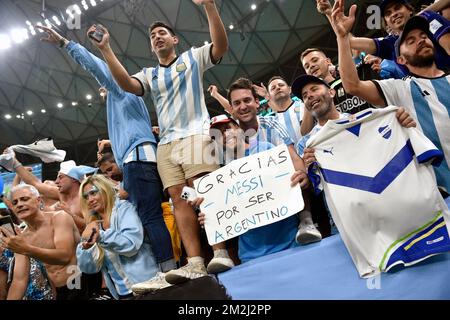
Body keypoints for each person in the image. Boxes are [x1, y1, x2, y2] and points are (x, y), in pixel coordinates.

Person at [88, 0, 228, 285]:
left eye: (162, 33)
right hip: (166, 144)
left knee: (204, 191)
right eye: (153, 37)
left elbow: (220, 46)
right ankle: (195, 262)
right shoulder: (150, 74)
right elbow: (127, 84)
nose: (157, 37)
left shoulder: (192, 57)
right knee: (179, 201)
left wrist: (210, 6)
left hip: (194, 135)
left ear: (174, 39)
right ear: (152, 48)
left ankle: (221, 250)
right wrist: (105, 49)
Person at [36, 25, 176, 277]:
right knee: (147, 216)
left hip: (138, 161)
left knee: (150, 217)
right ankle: (161, 269)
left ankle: (167, 271)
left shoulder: (123, 91)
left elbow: (96, 67)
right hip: (138, 161)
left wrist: (65, 44)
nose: (105, 86)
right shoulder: (124, 103)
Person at [330, 0, 450, 195]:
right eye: (410, 41)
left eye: (423, 36)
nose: (420, 40)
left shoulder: (430, 19)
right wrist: (341, 35)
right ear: (399, 59)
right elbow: (352, 85)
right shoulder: (401, 90)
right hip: (441, 193)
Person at [227, 77, 322, 246]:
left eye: (247, 100)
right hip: (251, 198)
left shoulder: (271, 123)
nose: (243, 106)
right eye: (237, 103)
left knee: (297, 170)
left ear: (257, 102)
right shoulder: (228, 136)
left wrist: (302, 175)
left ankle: (306, 221)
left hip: (279, 186)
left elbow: (293, 157)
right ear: (231, 110)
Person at [76, 175, 159, 299]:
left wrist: (101, 236)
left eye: (93, 193)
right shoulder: (93, 224)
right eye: (86, 197)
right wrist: (86, 247)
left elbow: (131, 245)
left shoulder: (124, 209)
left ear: (104, 189)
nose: (90, 199)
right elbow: (89, 268)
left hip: (147, 286)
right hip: (121, 294)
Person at [0, 184, 82, 300]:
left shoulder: (59, 218)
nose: (19, 205)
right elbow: (19, 280)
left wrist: (26, 249)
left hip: (77, 282)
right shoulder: (23, 237)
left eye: (24, 199)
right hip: (55, 291)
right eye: (15, 203)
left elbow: (65, 256)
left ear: (38, 201)